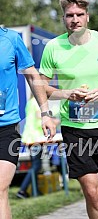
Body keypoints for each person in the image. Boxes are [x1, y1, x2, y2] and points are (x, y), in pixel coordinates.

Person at [39, 0, 98, 219]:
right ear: (63, 19)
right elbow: (42, 85)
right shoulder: (53, 47)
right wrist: (66, 93)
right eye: (70, 15)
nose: (75, 19)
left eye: (80, 14)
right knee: (91, 192)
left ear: (87, 17)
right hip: (74, 128)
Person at [0, 27, 56, 218]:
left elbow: (33, 75)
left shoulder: (11, 39)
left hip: (6, 127)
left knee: (0, 188)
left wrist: (46, 113)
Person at [16, 96, 44, 199]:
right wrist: (52, 119)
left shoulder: (30, 102)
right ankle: (22, 190)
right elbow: (39, 116)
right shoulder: (37, 101)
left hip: (29, 137)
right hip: (35, 138)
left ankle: (35, 191)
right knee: (36, 166)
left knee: (36, 164)